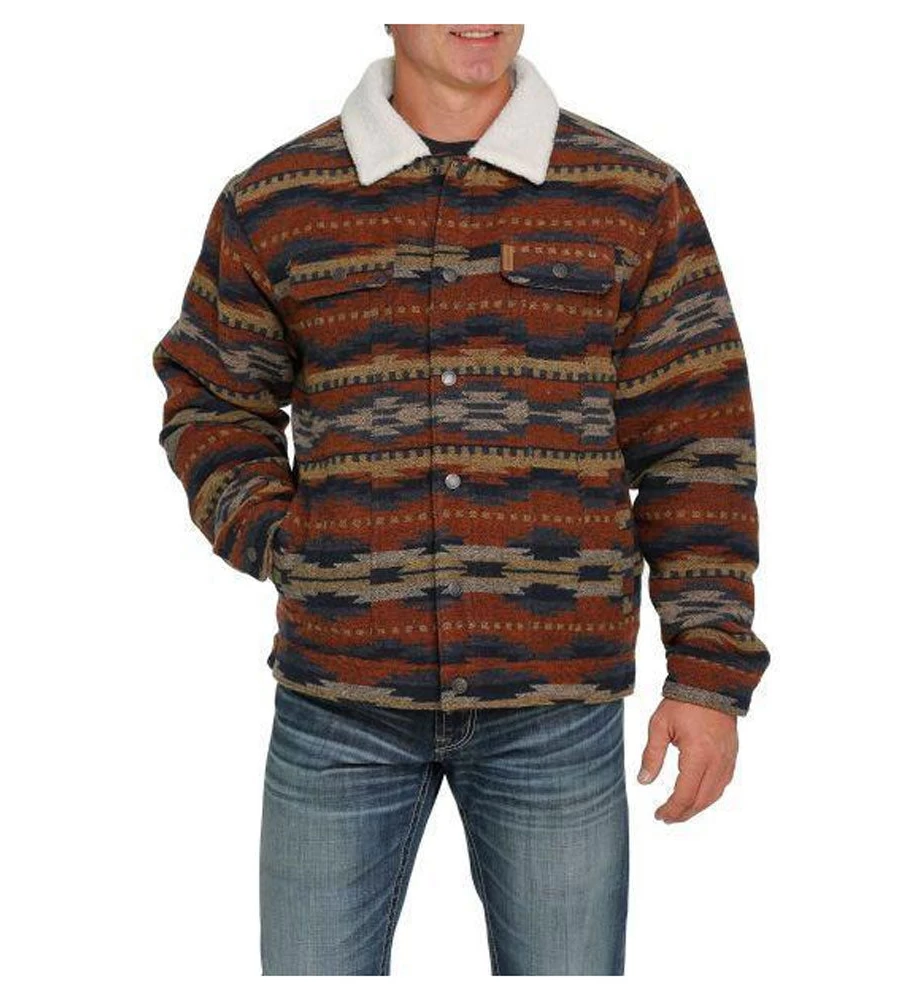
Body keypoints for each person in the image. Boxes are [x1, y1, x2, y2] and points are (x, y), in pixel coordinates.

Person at [151, 23, 771, 976]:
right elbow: (211, 397)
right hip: (339, 702)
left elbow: (697, 440)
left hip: (556, 706)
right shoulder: (277, 201)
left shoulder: (633, 196)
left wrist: (707, 674)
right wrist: (283, 539)